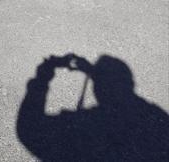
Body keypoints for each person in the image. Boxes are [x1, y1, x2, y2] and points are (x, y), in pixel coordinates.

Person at [17, 54, 169, 161]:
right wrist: (94, 73)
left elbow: (28, 129)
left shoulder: (87, 128)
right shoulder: (156, 120)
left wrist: (43, 75)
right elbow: (119, 98)